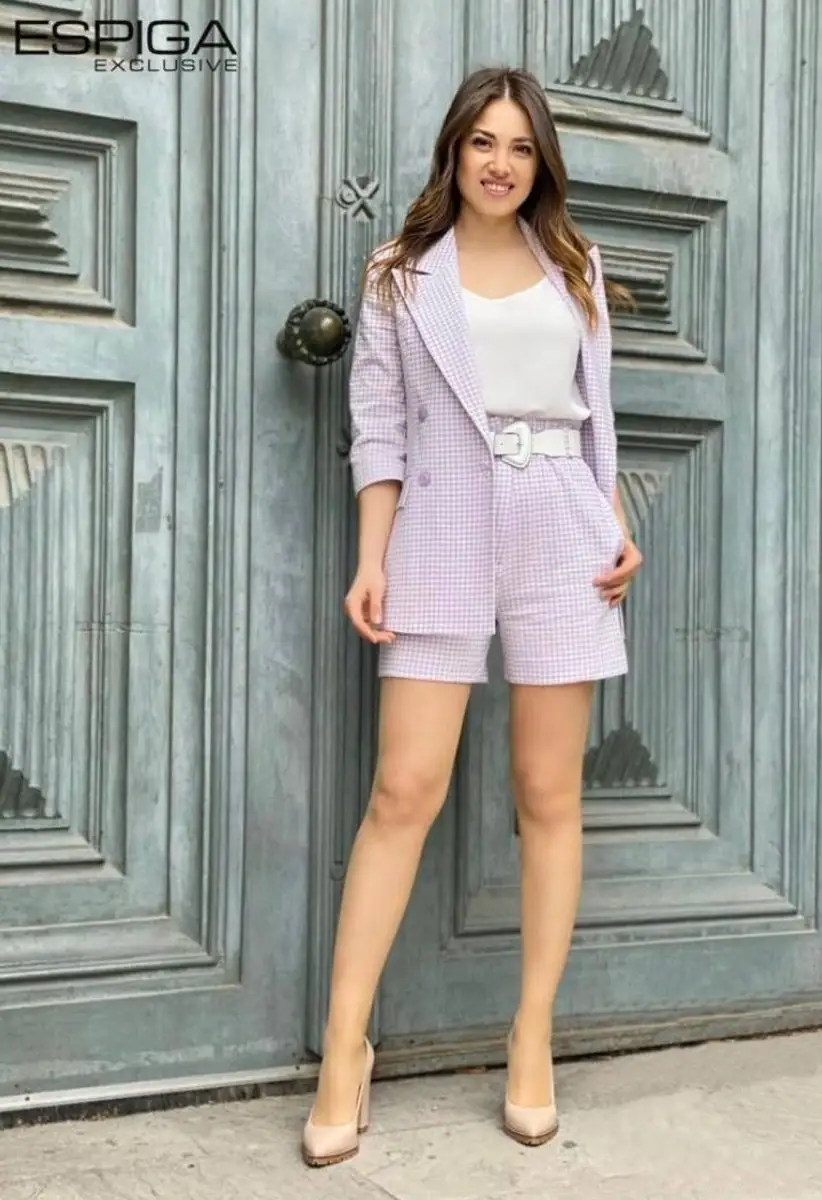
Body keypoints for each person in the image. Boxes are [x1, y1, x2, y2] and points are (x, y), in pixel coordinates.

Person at [301, 64, 643, 1169]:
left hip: (561, 531)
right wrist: (372, 558)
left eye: (521, 147)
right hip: (441, 526)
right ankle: (344, 1048)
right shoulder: (400, 276)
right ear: (454, 151)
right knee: (404, 789)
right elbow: (379, 425)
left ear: (542, 163)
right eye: (483, 142)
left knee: (549, 793)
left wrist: (615, 523)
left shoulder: (575, 264)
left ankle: (531, 1037)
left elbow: (596, 417)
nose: (501, 163)